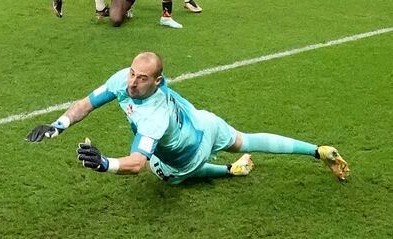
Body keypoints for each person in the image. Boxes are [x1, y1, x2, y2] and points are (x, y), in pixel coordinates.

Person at [26, 52, 350, 185]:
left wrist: (104, 163)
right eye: (131, 74)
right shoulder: (123, 81)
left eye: (141, 79)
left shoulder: (154, 116)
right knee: (246, 139)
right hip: (204, 122)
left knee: (163, 173)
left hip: (188, 155)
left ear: (157, 82)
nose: (131, 83)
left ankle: (228, 170)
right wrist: (59, 125)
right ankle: (317, 150)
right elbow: (86, 103)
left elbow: (137, 163)